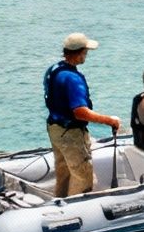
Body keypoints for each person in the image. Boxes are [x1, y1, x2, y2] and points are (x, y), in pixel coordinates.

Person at [43, 32, 122, 198]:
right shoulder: (73, 78)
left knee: (63, 174)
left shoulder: (54, 70)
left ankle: (59, 206)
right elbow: (80, 112)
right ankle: (74, 214)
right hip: (71, 134)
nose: (87, 55)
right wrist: (110, 120)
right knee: (83, 178)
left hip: (55, 129)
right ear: (79, 52)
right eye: (85, 51)